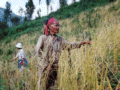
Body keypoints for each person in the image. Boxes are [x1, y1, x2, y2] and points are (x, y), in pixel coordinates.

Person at [35, 17, 91, 90]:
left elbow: (70, 45)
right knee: (43, 87)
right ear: (49, 27)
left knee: (52, 87)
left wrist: (82, 43)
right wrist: (44, 65)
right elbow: (37, 51)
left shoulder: (60, 40)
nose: (58, 27)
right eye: (56, 25)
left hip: (54, 68)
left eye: (59, 26)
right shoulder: (43, 38)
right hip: (44, 70)